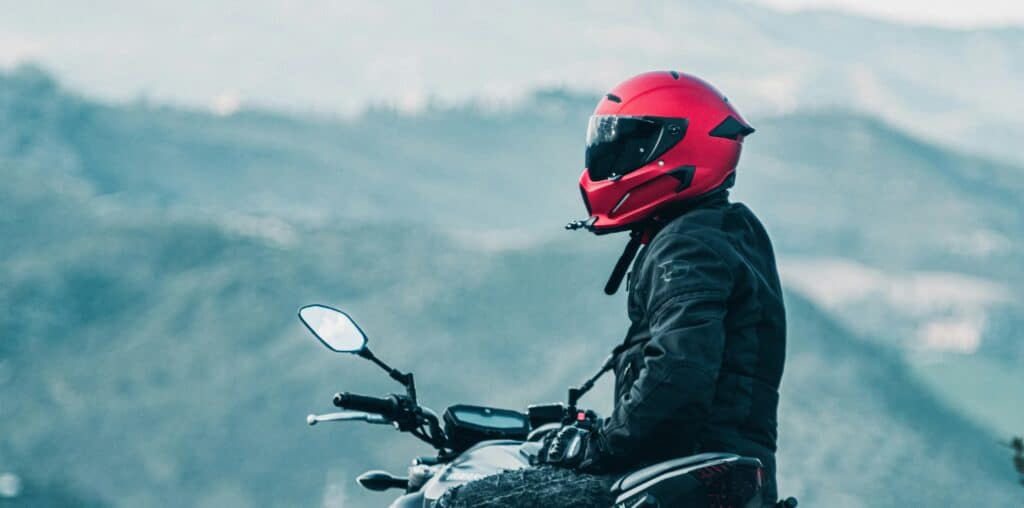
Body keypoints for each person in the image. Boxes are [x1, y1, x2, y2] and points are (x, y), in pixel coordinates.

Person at [444, 70, 786, 507]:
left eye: (631, 145)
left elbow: (679, 370)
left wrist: (601, 445)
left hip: (684, 480)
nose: (615, 159)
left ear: (678, 148)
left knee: (457, 502)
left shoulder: (688, 246)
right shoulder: (725, 230)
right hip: (701, 474)